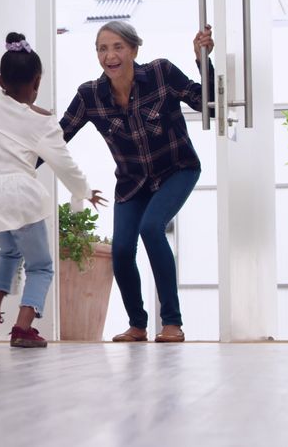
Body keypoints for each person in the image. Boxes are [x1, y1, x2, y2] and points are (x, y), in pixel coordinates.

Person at [0, 32, 105, 348]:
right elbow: (63, 164)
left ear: (0, 80)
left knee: (9, 250)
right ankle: (23, 328)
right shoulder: (44, 123)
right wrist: (84, 191)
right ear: (36, 82)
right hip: (19, 200)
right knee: (41, 266)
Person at [57, 20, 214, 343]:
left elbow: (205, 101)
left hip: (178, 168)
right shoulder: (90, 96)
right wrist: (22, 162)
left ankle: (172, 322)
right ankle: (137, 325)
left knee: (151, 227)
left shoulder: (160, 73)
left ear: (133, 50)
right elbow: (58, 137)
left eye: (117, 47)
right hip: (132, 182)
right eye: (102, 48)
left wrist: (203, 59)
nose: (109, 55)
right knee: (122, 248)